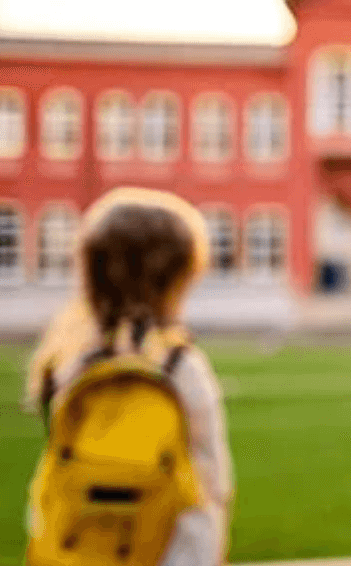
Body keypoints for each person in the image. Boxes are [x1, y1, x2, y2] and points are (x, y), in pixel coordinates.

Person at [26, 187, 234, 565]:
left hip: (81, 548)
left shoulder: (68, 363)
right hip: (173, 548)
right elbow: (214, 483)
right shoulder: (180, 367)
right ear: (179, 277)